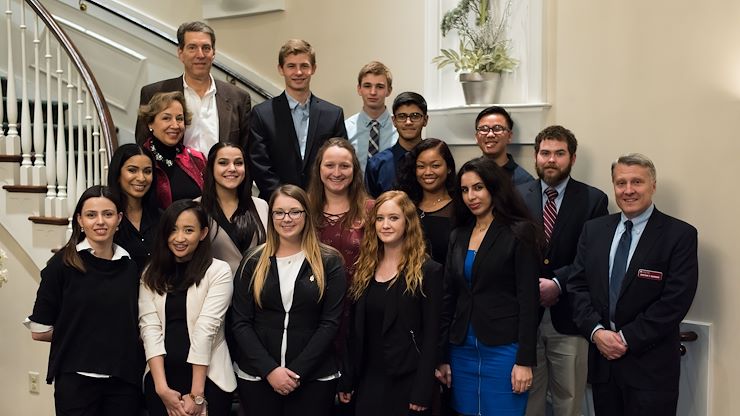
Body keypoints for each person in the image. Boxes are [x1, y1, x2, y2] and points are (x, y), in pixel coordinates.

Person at [566, 153, 698, 416]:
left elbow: (675, 301)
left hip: (651, 370)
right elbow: (577, 286)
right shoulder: (593, 230)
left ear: (653, 185)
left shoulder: (679, 235)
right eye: (620, 183)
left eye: (637, 182)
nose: (628, 190)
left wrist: (626, 339)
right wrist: (596, 332)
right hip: (604, 365)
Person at [516, 126, 609, 416]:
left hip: (569, 317)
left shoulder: (593, 200)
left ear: (572, 158)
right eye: (545, 153)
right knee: (528, 400)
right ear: (535, 156)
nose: (551, 160)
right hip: (524, 317)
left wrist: (557, 282)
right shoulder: (517, 197)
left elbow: (593, 258)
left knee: (568, 400)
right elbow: (510, 253)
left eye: (559, 153)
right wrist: (534, 285)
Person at [436, 157, 540, 416]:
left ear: (494, 188)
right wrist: (442, 355)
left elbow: (529, 301)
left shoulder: (519, 233)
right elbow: (449, 297)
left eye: (478, 187)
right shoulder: (457, 235)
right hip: (461, 350)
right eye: (464, 189)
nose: (471, 196)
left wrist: (524, 361)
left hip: (505, 350)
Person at [231, 184, 346, 416]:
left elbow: (330, 323)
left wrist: (296, 372)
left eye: (295, 211)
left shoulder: (330, 262)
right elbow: (241, 322)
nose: (287, 219)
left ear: (306, 215)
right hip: (258, 376)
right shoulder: (253, 261)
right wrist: (270, 370)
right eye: (279, 212)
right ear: (271, 216)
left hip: (314, 377)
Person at [26, 185, 141, 415]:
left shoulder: (130, 266)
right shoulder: (61, 266)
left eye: (108, 214)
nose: (100, 221)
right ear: (79, 220)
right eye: (91, 215)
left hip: (123, 381)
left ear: (119, 219)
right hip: (76, 383)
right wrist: (84, 335)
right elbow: (39, 330)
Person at [338, 190, 443, 416]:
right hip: (368, 380)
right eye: (380, 218)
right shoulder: (365, 269)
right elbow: (354, 334)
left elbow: (432, 335)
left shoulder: (428, 271)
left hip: (408, 382)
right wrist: (347, 378)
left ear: (408, 222)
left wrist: (423, 389)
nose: (385, 225)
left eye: (394, 218)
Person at [139, 200, 236, 416]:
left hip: (210, 379)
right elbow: (150, 330)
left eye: (188, 230)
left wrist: (196, 395)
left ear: (203, 233)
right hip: (161, 378)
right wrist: (162, 389)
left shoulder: (218, 271)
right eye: (172, 230)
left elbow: (206, 329)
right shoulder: (150, 273)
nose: (179, 238)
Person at [249, 39, 347, 199]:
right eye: (291, 66)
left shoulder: (333, 114)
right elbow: (259, 165)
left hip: (323, 204)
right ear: (281, 69)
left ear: (313, 69)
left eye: (304, 66)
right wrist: (287, 200)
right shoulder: (262, 114)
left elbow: (340, 161)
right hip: (277, 206)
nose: (298, 72)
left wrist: (316, 197)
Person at [135, 21, 251, 153]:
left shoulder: (239, 98)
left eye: (206, 48)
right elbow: (143, 148)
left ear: (213, 53)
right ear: (180, 53)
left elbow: (245, 153)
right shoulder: (154, 94)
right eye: (192, 48)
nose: (200, 55)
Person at [306, 138, 371, 354]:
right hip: (311, 309)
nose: (337, 172)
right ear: (319, 168)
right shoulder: (302, 207)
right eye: (330, 165)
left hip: (359, 308)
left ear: (354, 170)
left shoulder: (371, 210)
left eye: (344, 166)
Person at [199, 142, 268, 275]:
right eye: (223, 163)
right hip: (215, 290)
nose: (232, 168)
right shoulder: (197, 208)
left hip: (258, 288)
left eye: (238, 163)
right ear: (211, 168)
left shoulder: (262, 206)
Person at [139, 91, 206, 209]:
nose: (175, 125)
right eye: (166, 118)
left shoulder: (197, 159)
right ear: (150, 123)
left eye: (179, 119)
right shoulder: (139, 161)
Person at [396, 138, 457, 266]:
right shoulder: (404, 206)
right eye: (421, 166)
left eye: (435, 165)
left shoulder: (459, 208)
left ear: (449, 168)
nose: (428, 172)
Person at [108, 143, 162, 273]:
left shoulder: (162, 217)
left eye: (147, 171)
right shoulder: (105, 218)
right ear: (118, 173)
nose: (141, 178)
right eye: (132, 170)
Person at [365, 92, 428, 198]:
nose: (408, 122)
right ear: (394, 121)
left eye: (415, 116)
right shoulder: (377, 164)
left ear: (425, 120)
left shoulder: (436, 161)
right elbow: (370, 205)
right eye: (402, 116)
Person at [344, 61, 398, 173]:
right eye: (367, 86)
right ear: (359, 89)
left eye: (380, 87)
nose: (373, 92)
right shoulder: (346, 128)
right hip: (356, 190)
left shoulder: (399, 128)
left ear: (389, 91)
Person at [474, 106, 534, 186]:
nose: (490, 134)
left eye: (497, 128)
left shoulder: (525, 181)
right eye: (484, 129)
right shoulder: (467, 175)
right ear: (476, 137)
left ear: (509, 136)